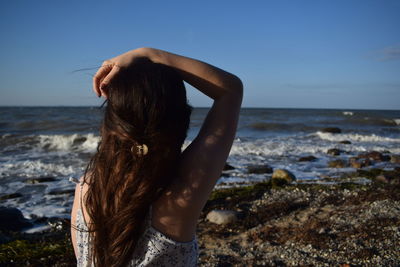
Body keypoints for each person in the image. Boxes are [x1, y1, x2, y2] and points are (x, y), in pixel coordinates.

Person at [70, 47, 243, 266]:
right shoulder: (181, 196)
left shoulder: (86, 190)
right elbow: (230, 91)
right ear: (180, 121)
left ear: (111, 123)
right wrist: (150, 53)